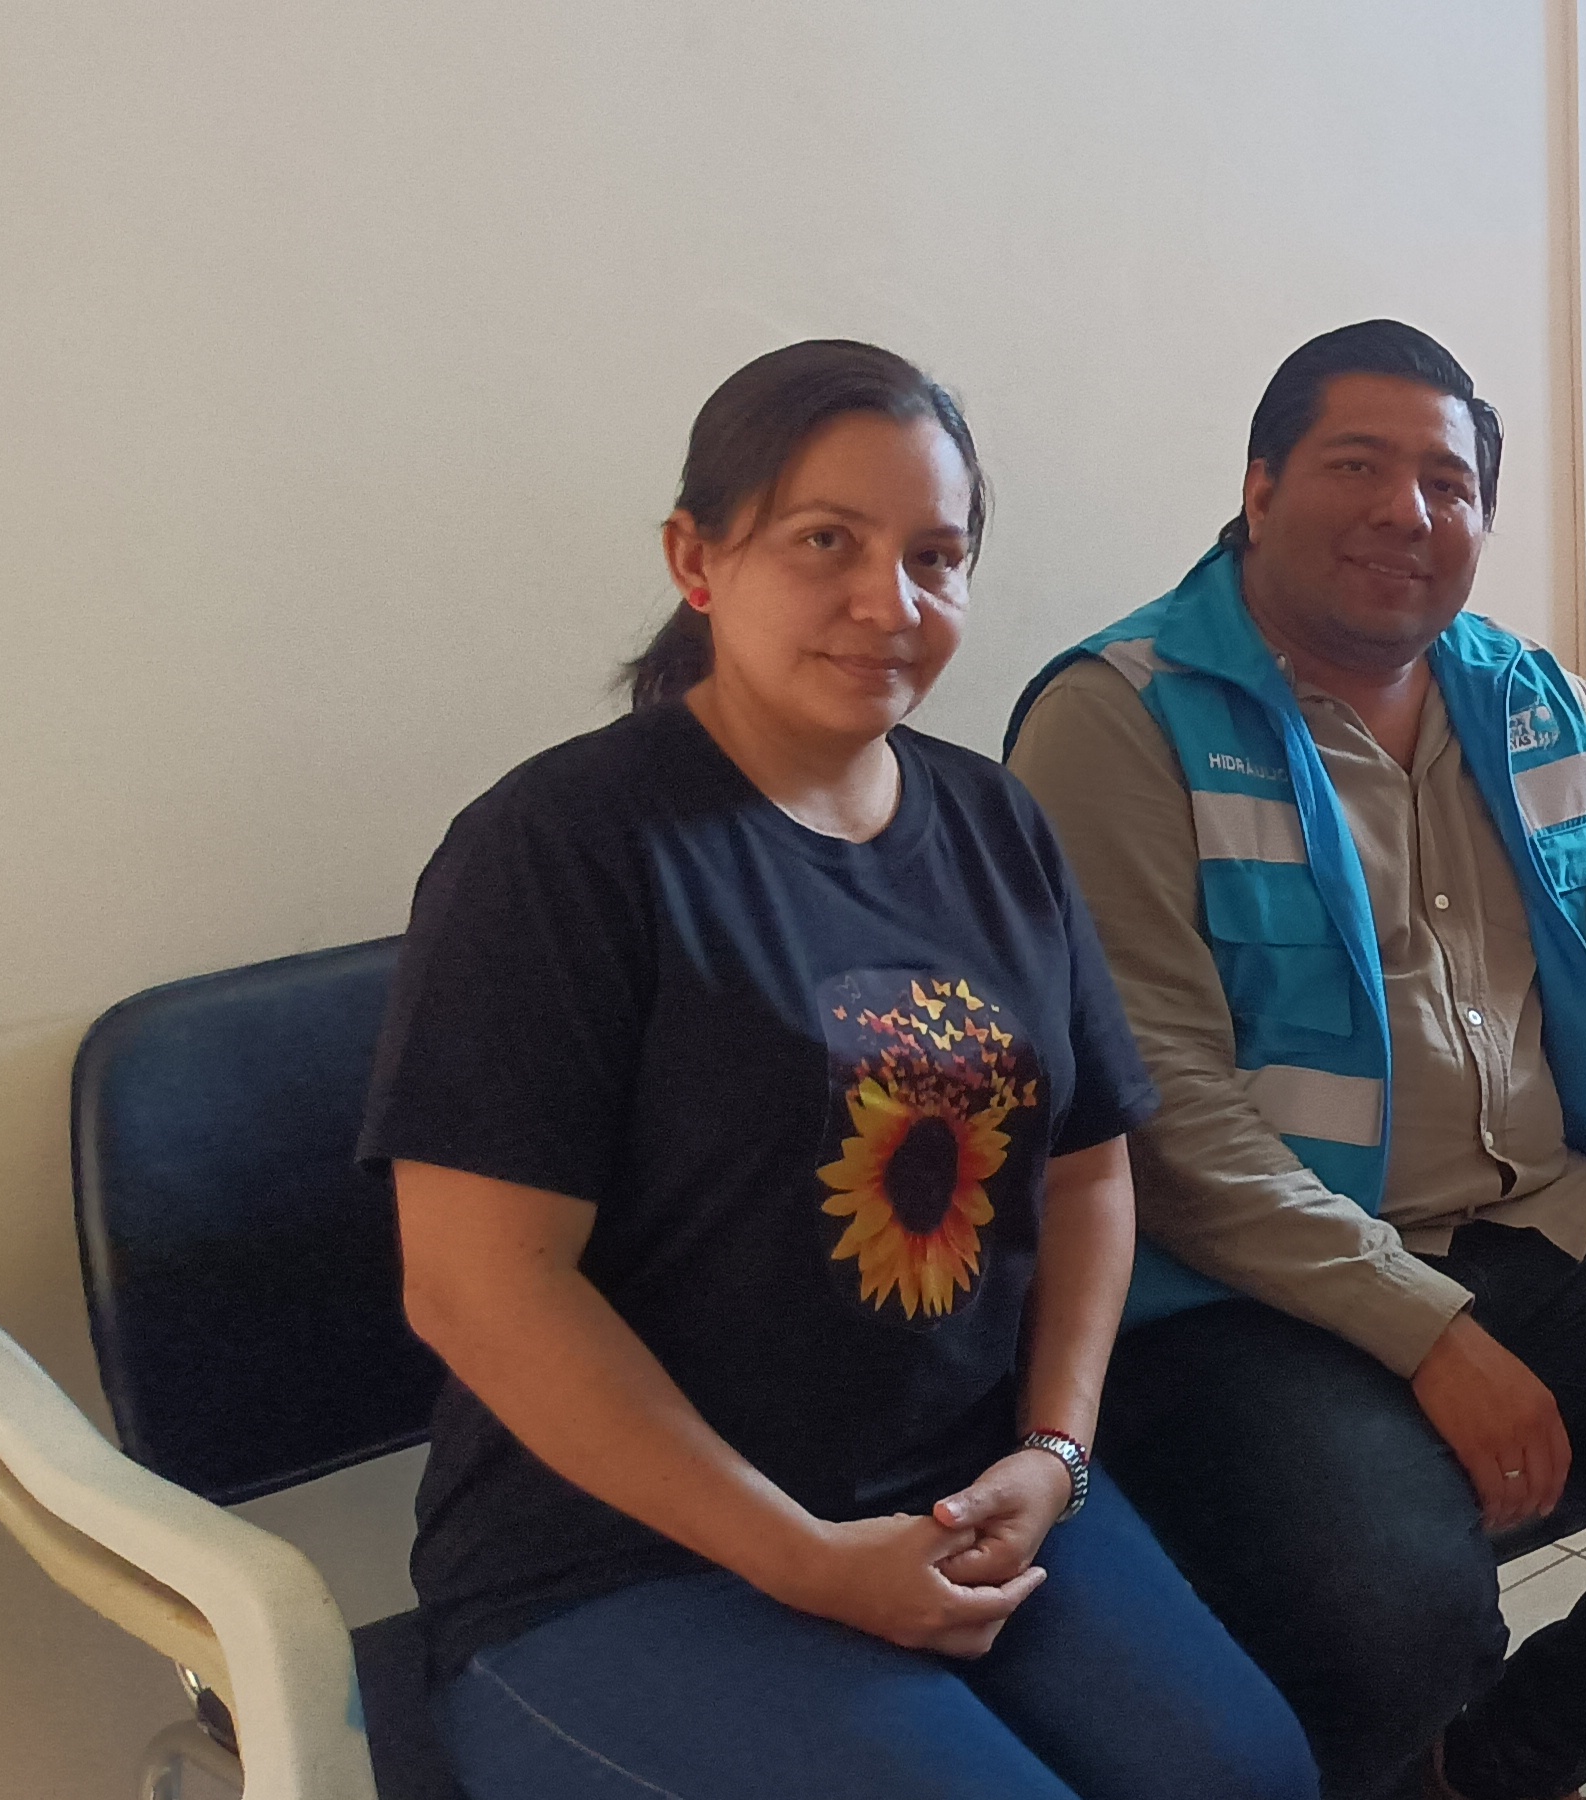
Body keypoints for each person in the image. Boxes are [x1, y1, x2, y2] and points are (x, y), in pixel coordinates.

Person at [1004, 320, 1586, 1800]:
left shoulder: (1521, 694)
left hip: (1539, 1219)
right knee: (1396, 1626)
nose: (1407, 512)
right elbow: (1165, 1117)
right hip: (1255, 1292)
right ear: (1258, 488)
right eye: (1357, 467)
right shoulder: (1120, 718)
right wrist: (1429, 1334)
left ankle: (1501, 1764)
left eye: (1447, 485)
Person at [365, 340, 1318, 1800]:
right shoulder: (557, 851)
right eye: (827, 542)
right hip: (620, 1564)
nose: (891, 603)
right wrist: (803, 1559)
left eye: (936, 557)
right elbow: (477, 1286)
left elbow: (1087, 1175)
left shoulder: (997, 825)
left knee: (1251, 1777)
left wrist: (1055, 1453)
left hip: (962, 1495)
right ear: (697, 559)